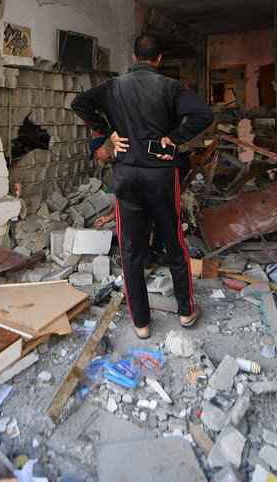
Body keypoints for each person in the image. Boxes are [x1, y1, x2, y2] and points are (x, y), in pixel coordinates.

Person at [71, 34, 214, 339]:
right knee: (175, 243)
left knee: (131, 250)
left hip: (126, 175)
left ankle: (141, 324)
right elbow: (204, 114)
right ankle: (186, 312)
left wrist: (109, 133)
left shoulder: (113, 86)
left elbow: (79, 103)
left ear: (134, 58)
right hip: (161, 175)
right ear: (159, 59)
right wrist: (174, 137)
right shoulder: (171, 87)